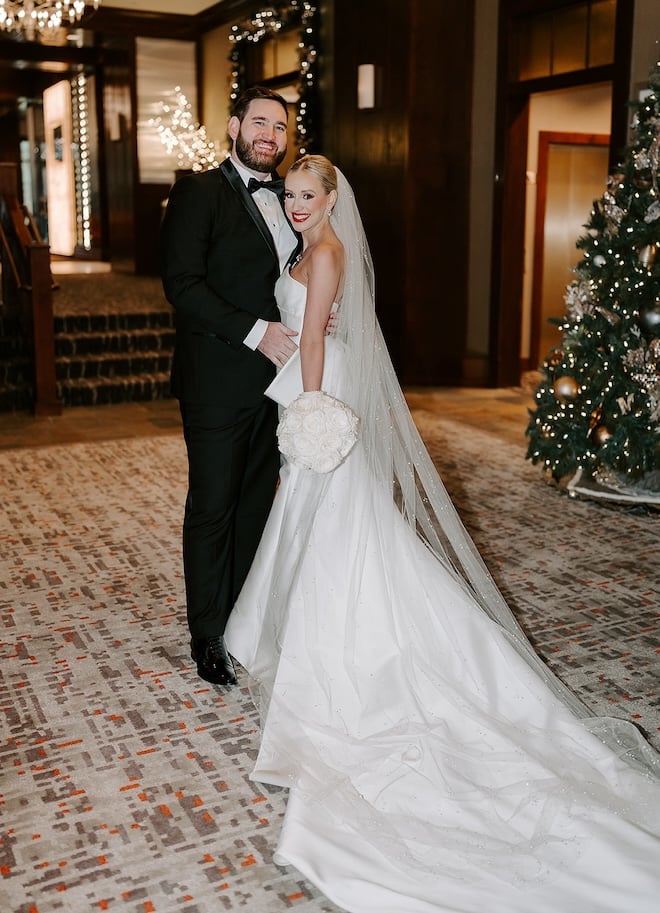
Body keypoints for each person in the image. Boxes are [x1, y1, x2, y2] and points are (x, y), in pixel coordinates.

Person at [224, 155, 660, 913]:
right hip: (310, 388)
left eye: (307, 195)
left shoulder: (324, 252)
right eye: (290, 196)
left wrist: (312, 414)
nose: (296, 206)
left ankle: (346, 654)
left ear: (331, 199)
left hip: (318, 397)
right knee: (324, 522)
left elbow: (321, 343)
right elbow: (314, 324)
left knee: (334, 523)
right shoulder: (307, 246)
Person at [160, 87, 299, 686]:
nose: (270, 135)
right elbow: (182, 285)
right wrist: (253, 332)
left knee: (256, 504)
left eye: (281, 127)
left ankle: (242, 617)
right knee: (213, 506)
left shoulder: (293, 198)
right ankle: (208, 635)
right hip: (217, 377)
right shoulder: (198, 191)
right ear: (235, 125)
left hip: (279, 381)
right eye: (260, 123)